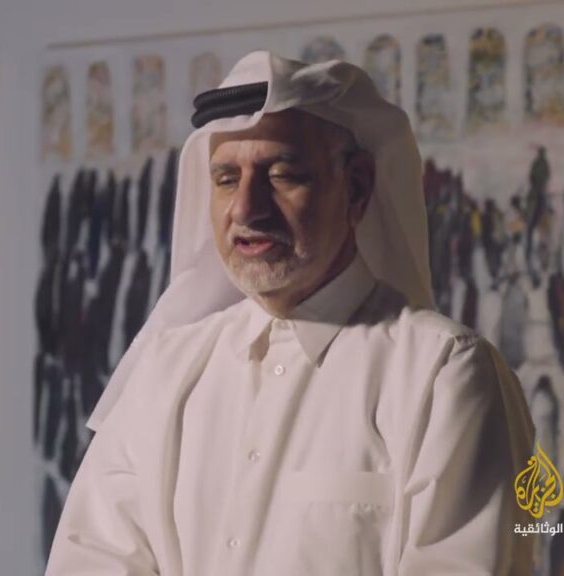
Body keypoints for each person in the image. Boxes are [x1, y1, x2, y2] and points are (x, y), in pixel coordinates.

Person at [46, 52, 534, 575]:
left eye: (282, 174)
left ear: (357, 187)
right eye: (227, 178)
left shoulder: (442, 376)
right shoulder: (164, 373)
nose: (246, 208)